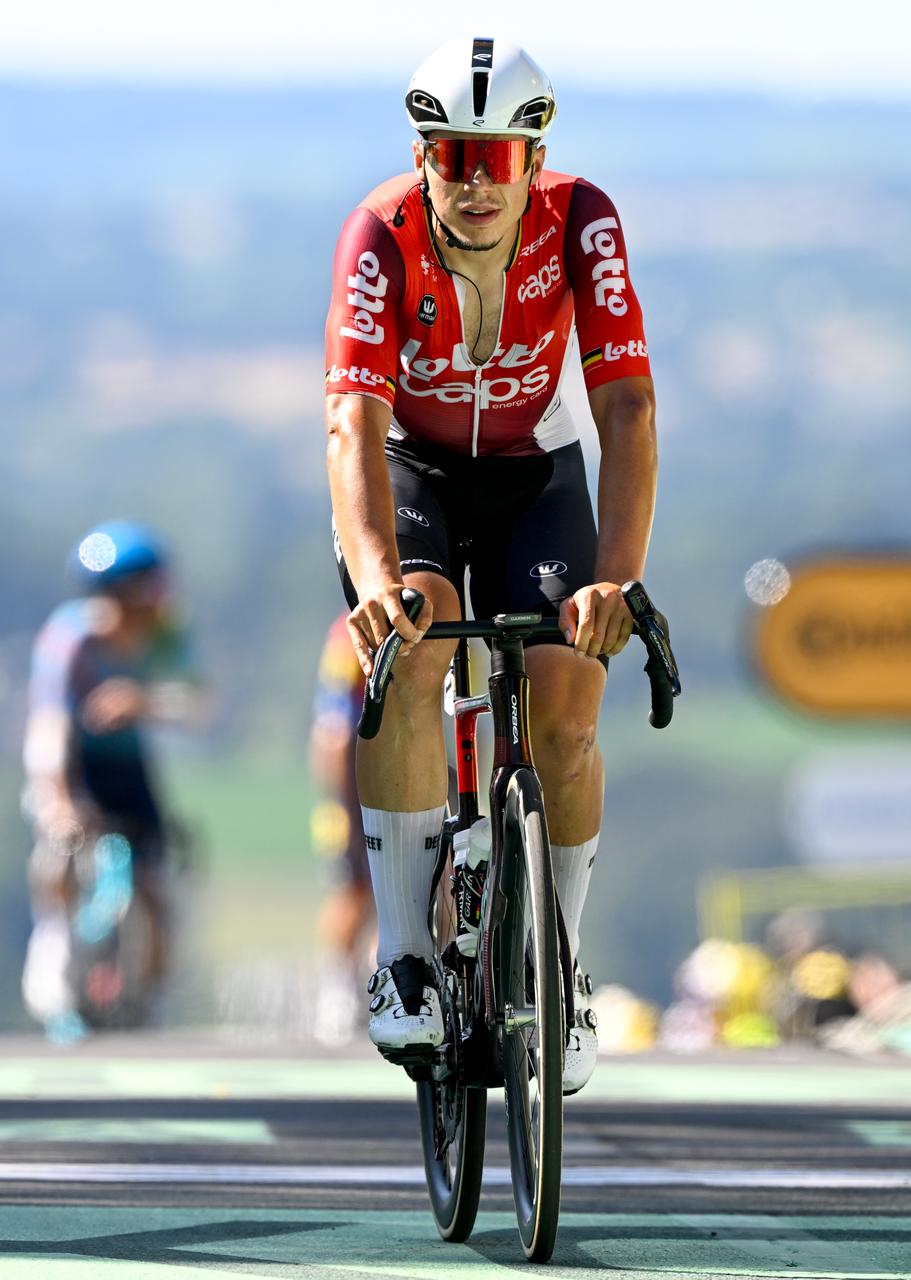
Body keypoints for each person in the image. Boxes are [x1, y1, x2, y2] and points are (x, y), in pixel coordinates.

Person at [324, 37, 659, 1094]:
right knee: (415, 641)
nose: (475, 181)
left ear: (536, 160)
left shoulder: (582, 221)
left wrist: (618, 576)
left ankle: (556, 967)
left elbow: (628, 406)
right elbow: (351, 417)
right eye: (453, 155)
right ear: (423, 154)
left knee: (565, 701)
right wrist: (378, 581)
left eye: (498, 160)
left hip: (533, 472)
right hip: (410, 470)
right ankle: (408, 964)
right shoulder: (381, 232)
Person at [21, 521, 206, 1039]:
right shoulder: (70, 639)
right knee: (57, 858)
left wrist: (143, 701)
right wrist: (56, 798)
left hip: (128, 766)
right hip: (73, 762)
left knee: (155, 883)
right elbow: (49, 725)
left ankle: (151, 994)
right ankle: (55, 967)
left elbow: (197, 703)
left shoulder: (168, 630)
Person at [309, 616, 374, 1042]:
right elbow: (333, 731)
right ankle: (338, 988)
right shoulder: (347, 635)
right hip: (349, 788)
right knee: (353, 888)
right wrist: (344, 807)